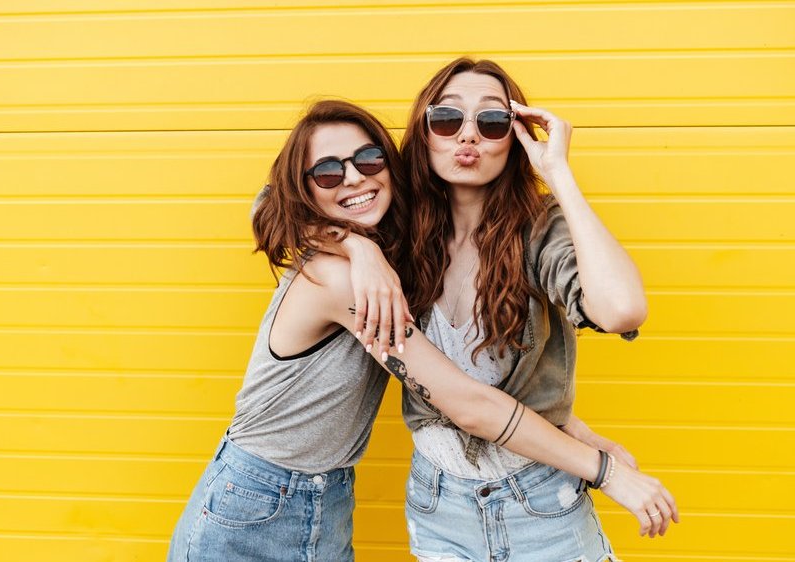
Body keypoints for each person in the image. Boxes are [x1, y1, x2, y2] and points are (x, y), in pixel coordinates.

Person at [168, 98, 675, 562]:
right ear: (303, 188)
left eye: (368, 160)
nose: (352, 179)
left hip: (319, 496)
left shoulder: (389, 247)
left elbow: (486, 381)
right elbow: (467, 404)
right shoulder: (339, 276)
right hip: (257, 504)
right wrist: (604, 472)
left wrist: (358, 244)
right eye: (326, 171)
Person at [320, 58, 681, 561]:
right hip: (438, 503)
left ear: (514, 139)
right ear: (424, 132)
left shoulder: (537, 231)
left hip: (540, 503)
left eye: (490, 123)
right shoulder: (394, 224)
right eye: (447, 120)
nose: (468, 136)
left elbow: (622, 309)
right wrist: (360, 249)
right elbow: (271, 207)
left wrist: (558, 174)